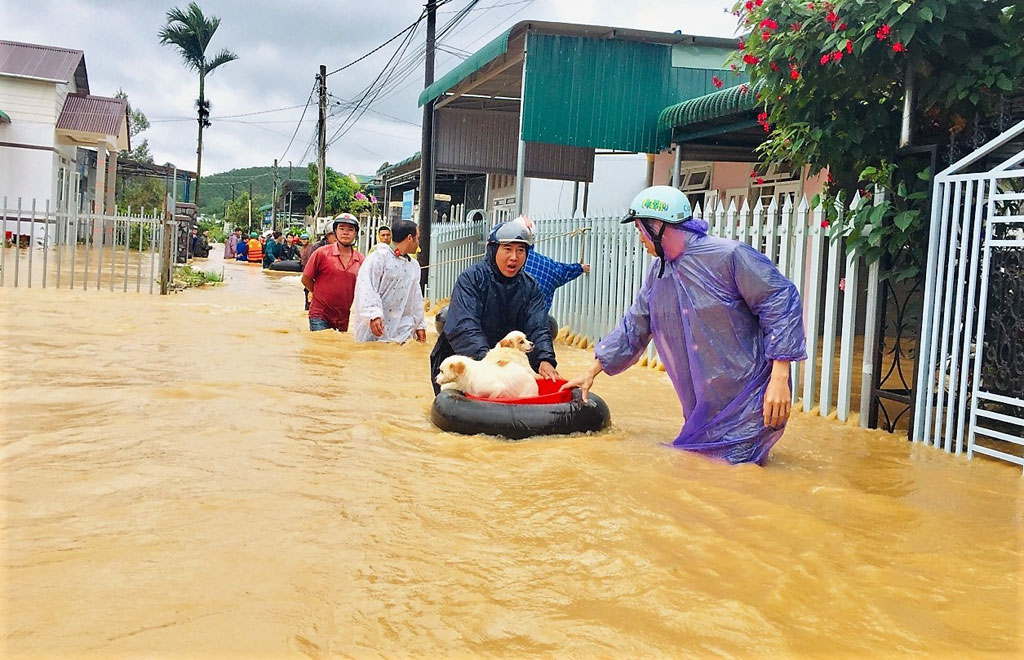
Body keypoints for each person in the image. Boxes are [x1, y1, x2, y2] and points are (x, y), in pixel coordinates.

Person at [562, 186, 806, 465]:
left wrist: (779, 378)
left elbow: (780, 301)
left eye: (641, 229)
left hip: (749, 396)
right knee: (705, 475)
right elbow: (636, 324)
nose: (640, 238)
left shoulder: (730, 256)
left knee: (736, 478)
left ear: (657, 227)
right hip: (703, 403)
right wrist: (592, 370)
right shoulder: (660, 271)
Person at [429, 217, 558, 394]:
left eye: (521, 250)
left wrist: (545, 358)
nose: (514, 257)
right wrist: (488, 362)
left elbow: (538, 326)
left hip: (507, 367)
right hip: (466, 365)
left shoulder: (530, 287)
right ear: (493, 249)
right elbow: (464, 326)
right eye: (507, 249)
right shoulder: (471, 279)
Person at [352, 220, 427, 344]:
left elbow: (416, 298)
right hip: (375, 329)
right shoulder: (378, 258)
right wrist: (373, 314)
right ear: (409, 238)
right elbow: (366, 287)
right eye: (417, 238)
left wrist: (420, 325)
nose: (418, 242)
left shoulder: (413, 266)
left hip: (404, 330)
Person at [300, 214, 365, 331]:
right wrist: (319, 294)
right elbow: (305, 279)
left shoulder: (361, 260)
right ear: (335, 231)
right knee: (322, 346)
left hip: (343, 317)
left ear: (355, 233)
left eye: (350, 229)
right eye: (341, 229)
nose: (345, 232)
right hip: (319, 314)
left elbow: (365, 288)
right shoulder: (322, 253)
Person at [522, 243, 591, 313]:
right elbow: (563, 271)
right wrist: (580, 268)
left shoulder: (515, 265)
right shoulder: (548, 266)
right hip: (537, 319)